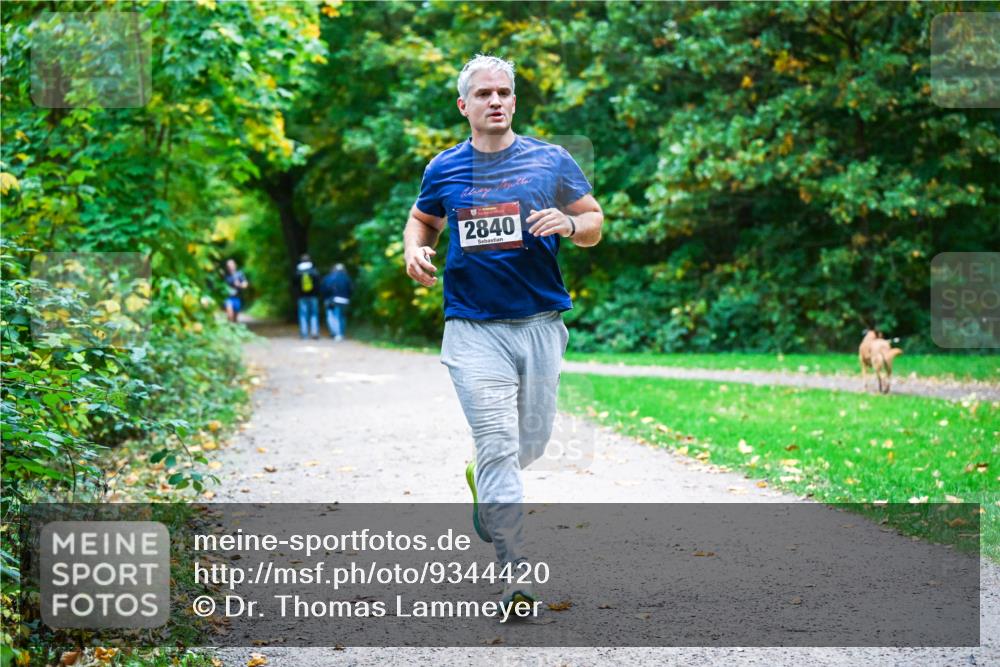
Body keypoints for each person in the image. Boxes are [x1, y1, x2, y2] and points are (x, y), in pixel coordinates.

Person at [402, 54, 603, 612]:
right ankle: (517, 577)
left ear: (514, 101)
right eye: (484, 93)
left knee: (528, 446)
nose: (496, 101)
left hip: (540, 324)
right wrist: (415, 250)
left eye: (505, 92)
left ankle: (481, 478)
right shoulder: (443, 169)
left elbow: (593, 221)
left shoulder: (551, 160)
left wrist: (568, 223)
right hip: (472, 329)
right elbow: (423, 219)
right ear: (464, 106)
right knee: (498, 445)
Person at [320, 263, 353, 341]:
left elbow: (324, 289)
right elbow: (351, 289)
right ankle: (341, 333)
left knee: (334, 316)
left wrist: (326, 298)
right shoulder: (347, 278)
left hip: (333, 300)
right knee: (342, 317)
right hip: (345, 300)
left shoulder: (329, 277)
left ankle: (336, 334)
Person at [292, 254, 321, 339]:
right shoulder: (314, 271)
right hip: (313, 296)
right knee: (314, 314)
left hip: (302, 297)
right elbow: (318, 283)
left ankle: (304, 334)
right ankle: (314, 332)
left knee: (303, 315)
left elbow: (294, 285)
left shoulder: (298, 272)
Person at [223, 259, 249, 323]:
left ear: (235, 265)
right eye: (228, 266)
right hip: (228, 298)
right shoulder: (225, 276)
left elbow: (245, 284)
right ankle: (230, 328)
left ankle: (233, 328)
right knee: (230, 315)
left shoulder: (240, 274)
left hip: (237, 297)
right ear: (227, 267)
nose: (230, 267)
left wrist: (239, 285)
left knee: (235, 318)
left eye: (231, 265)